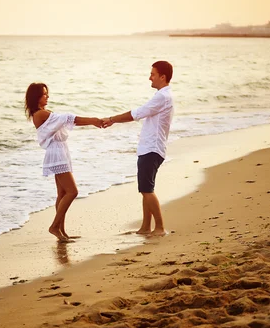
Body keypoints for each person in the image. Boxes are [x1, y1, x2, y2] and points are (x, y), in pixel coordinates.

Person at [102, 61, 174, 236]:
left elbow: (136, 114)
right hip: (151, 148)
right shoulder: (164, 96)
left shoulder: (162, 97)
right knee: (146, 188)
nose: (150, 77)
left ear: (162, 77)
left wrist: (111, 119)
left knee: (146, 189)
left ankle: (159, 227)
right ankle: (145, 227)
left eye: (153, 74)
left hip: (152, 149)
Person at [25, 82, 103, 242]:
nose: (47, 96)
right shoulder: (40, 114)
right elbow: (69, 118)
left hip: (60, 151)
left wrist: (92, 122)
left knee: (62, 193)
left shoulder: (44, 113)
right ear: (36, 97)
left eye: (47, 93)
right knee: (72, 192)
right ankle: (54, 226)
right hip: (56, 153)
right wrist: (93, 120)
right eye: (44, 94)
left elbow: (69, 121)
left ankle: (61, 231)